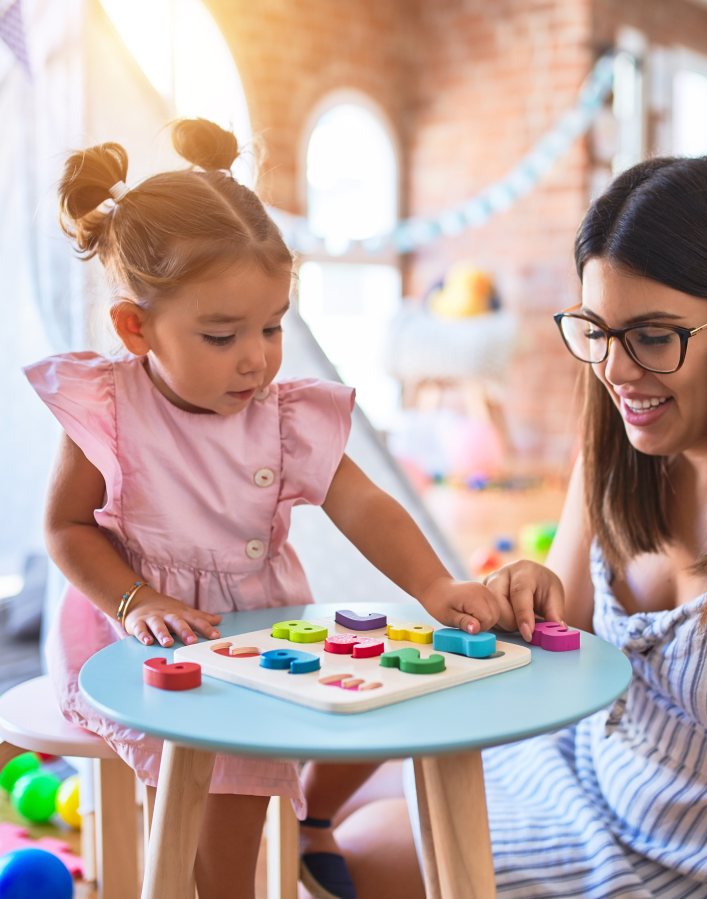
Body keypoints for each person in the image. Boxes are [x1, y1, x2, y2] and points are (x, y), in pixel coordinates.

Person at [338, 156, 707, 899]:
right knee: (327, 804)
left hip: (690, 867)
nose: (615, 370)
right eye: (596, 330)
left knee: (361, 848)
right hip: (575, 775)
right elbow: (565, 646)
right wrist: (529, 595)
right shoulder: (620, 439)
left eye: (652, 335)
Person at [26, 118, 523, 899]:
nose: (256, 356)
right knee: (184, 811)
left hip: (255, 631)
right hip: (133, 634)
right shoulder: (109, 405)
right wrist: (137, 599)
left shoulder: (285, 415)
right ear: (136, 328)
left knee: (247, 811)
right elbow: (64, 526)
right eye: (222, 335)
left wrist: (433, 586)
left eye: (272, 325)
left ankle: (273, 852)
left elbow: (364, 505)